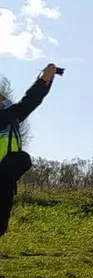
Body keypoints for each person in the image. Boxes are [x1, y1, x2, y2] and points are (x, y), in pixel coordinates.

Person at [0, 63, 58, 238]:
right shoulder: (5, 117)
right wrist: (42, 81)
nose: (2, 98)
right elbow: (26, 103)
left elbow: (30, 102)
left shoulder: (11, 118)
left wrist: (45, 81)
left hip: (5, 179)